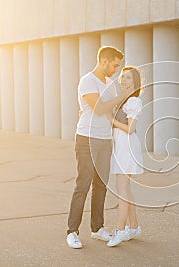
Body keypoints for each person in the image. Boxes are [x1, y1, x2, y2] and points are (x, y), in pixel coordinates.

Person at [66, 46, 135, 249]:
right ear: (104, 61)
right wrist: (122, 96)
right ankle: (72, 232)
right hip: (87, 139)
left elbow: (110, 114)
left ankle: (97, 229)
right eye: (114, 65)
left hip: (105, 140)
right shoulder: (88, 81)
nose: (116, 70)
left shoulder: (110, 85)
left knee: (101, 186)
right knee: (83, 185)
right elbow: (99, 108)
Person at [106, 66, 144, 247]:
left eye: (128, 78)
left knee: (122, 189)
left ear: (135, 82)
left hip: (126, 147)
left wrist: (111, 121)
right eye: (122, 77)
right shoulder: (124, 100)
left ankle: (120, 230)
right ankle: (134, 226)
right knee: (125, 189)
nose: (124, 81)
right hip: (120, 146)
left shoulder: (134, 101)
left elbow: (131, 129)